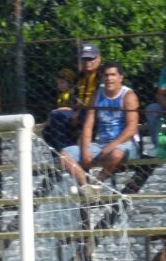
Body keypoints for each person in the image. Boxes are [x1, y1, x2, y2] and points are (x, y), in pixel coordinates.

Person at [59, 61, 140, 191]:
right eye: (106, 75)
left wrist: (109, 147)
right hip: (101, 144)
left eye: (113, 75)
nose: (109, 78)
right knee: (64, 154)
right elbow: (88, 126)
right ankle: (86, 185)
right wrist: (85, 150)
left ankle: (98, 182)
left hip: (126, 144)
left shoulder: (128, 96)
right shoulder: (96, 95)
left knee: (116, 154)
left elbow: (131, 128)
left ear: (121, 77)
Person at [43, 45, 101, 151]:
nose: (87, 61)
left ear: (98, 59)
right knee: (55, 116)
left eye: (90, 58)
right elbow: (73, 97)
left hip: (94, 112)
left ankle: (71, 154)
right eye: (84, 59)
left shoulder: (101, 76)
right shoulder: (80, 77)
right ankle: (65, 151)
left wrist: (79, 111)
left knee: (83, 115)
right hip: (76, 111)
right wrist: (69, 108)